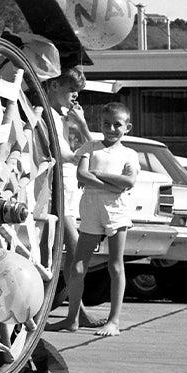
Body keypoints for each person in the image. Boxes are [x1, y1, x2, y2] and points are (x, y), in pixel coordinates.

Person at [61, 101, 139, 336]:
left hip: (116, 210)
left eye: (117, 125)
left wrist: (99, 174)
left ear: (127, 127)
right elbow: (81, 174)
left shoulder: (129, 154)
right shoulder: (90, 147)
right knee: (77, 266)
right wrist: (110, 185)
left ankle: (114, 321)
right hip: (91, 208)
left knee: (115, 265)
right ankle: (72, 318)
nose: (111, 129)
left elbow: (129, 181)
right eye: (107, 124)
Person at [41, 64, 93, 332]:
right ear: (54, 85)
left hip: (69, 185)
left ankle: (75, 311)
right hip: (55, 185)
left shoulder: (63, 116)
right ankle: (74, 312)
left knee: (65, 251)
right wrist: (79, 156)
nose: (75, 95)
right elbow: (59, 153)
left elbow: (91, 148)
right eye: (71, 89)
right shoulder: (44, 114)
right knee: (74, 248)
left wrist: (81, 125)